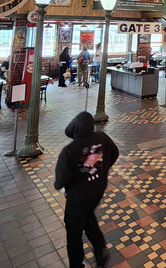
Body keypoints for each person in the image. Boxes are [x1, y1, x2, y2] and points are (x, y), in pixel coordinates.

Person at [54, 112, 118, 268]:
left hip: (77, 198)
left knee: (73, 232)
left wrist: (62, 184)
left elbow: (60, 180)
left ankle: (76, 265)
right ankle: (101, 251)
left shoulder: (69, 151)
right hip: (97, 192)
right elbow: (115, 153)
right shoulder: (102, 138)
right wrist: (101, 171)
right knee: (88, 218)